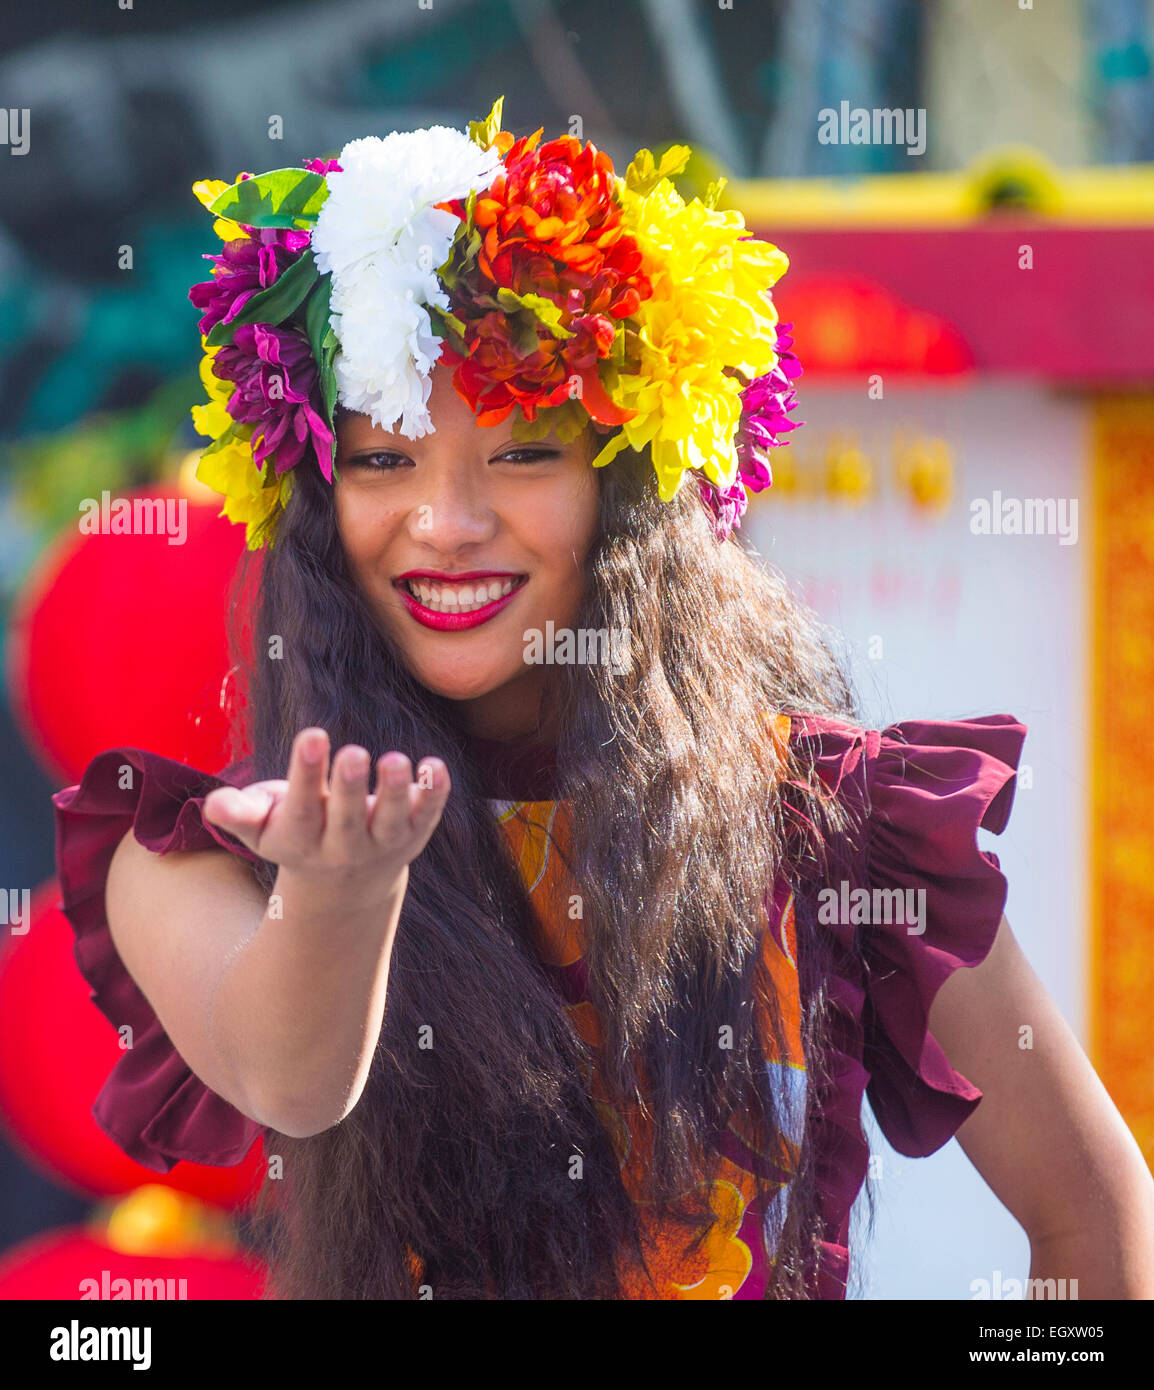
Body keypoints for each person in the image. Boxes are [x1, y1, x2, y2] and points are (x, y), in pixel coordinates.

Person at [54, 101, 1154, 1301]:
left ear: (624, 488)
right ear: (319, 506)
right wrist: (339, 891)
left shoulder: (839, 817)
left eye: (523, 451)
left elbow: (1093, 1216)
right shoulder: (197, 853)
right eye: (384, 459)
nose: (448, 522)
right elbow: (292, 1078)